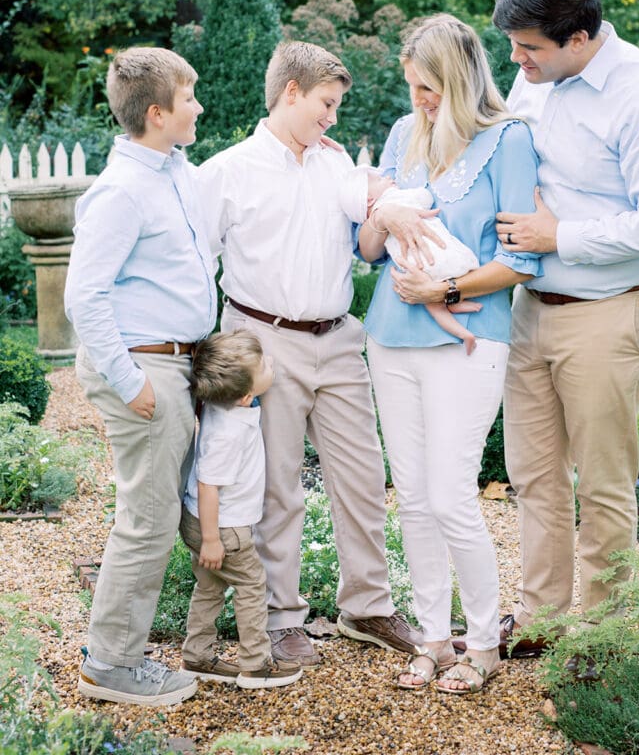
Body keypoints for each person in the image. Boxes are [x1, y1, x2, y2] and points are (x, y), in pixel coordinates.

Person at [491, 0, 639, 656]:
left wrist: (561, 235)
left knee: (603, 485)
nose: (515, 61)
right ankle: (544, 621)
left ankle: (601, 644)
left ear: (580, 37)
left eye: (529, 48)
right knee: (533, 477)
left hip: (613, 307)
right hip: (531, 307)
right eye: (512, 45)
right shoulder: (535, 85)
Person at [195, 40, 423, 667]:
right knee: (277, 487)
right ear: (290, 92)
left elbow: (369, 231)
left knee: (362, 477)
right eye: (326, 104)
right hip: (264, 341)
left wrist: (390, 206)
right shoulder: (227, 172)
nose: (332, 117)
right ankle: (281, 615)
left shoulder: (334, 163)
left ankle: (368, 607)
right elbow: (197, 262)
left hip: (339, 337)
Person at [358, 13, 541, 694]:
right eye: (412, 86)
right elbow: (368, 244)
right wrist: (385, 216)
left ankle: (485, 643)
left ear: (461, 78)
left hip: (471, 338)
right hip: (389, 335)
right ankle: (434, 638)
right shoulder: (406, 134)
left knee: (453, 495)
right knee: (412, 497)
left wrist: (447, 284)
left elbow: (522, 259)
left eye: (429, 87)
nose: (419, 100)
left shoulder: (510, 141)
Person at [64, 46, 217, 706]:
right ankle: (112, 663)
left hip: (176, 359)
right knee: (148, 518)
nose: (200, 107)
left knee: (158, 513)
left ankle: (118, 646)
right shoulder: (122, 192)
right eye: (189, 98)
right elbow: (84, 297)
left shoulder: (174, 171)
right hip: (143, 363)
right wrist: (134, 384)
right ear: (157, 114)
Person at [179, 329, 302, 690]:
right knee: (251, 585)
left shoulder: (225, 404)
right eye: (265, 365)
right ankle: (255, 664)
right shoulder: (228, 433)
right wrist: (212, 539)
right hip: (222, 527)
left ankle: (197, 655)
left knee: (210, 586)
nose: (272, 364)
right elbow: (208, 485)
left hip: (201, 521)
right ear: (247, 393)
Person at [341, 167, 483, 353]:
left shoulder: (380, 211)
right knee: (463, 269)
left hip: (414, 265)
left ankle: (462, 330)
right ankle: (457, 306)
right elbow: (425, 197)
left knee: (433, 304)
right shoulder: (394, 200)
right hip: (433, 251)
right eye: (379, 180)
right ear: (370, 199)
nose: (388, 177)